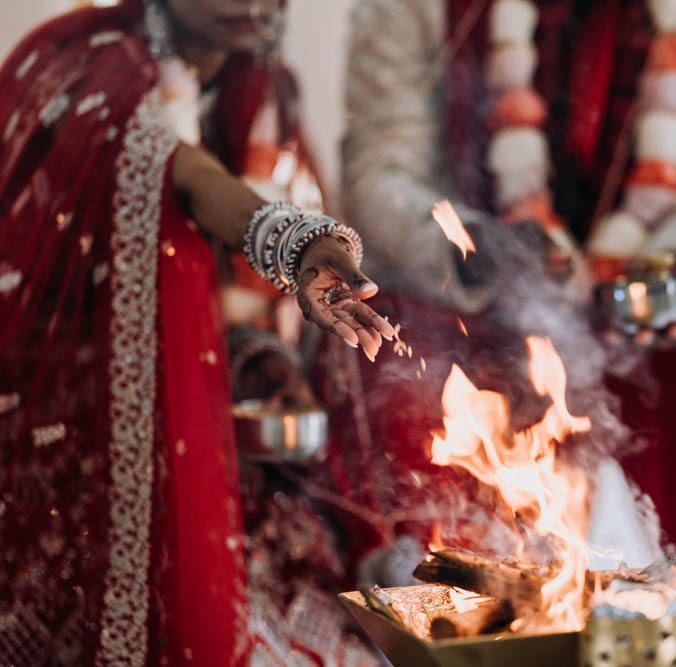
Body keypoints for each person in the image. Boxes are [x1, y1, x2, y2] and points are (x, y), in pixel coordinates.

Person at [341, 1, 676, 665]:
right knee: (384, 350)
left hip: (629, 300)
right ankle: (444, 610)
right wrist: (468, 246)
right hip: (464, 295)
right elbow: (379, 174)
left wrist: (658, 276)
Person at [0, 1, 393, 664]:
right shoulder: (88, 70)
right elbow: (183, 174)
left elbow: (217, 297)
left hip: (231, 460)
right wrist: (294, 245)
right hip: (76, 448)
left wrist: (253, 356)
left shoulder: (267, 91)